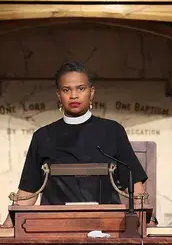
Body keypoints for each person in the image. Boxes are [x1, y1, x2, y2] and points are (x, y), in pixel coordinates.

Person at [14, 61, 148, 205]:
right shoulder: (42, 136)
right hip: (55, 224)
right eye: (66, 90)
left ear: (92, 92)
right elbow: (28, 192)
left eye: (80, 89)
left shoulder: (113, 131)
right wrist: (7, 225)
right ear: (58, 95)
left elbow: (134, 186)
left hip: (105, 224)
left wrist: (147, 219)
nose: (74, 95)